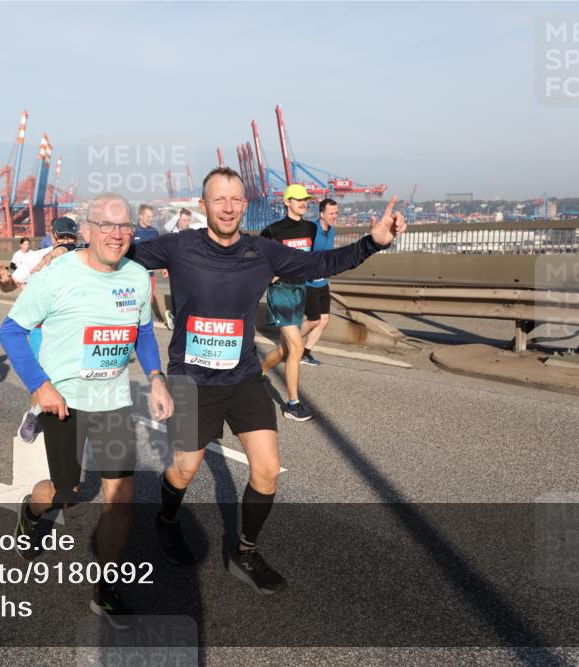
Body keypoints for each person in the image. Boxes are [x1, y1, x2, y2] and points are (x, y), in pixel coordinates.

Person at [40, 167, 405, 595]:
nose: (228, 207)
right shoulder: (179, 247)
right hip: (192, 382)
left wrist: (372, 244)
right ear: (203, 206)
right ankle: (168, 519)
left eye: (235, 200)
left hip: (244, 378)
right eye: (219, 199)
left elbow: (319, 263)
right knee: (183, 470)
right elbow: (121, 253)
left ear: (244, 206)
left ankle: (245, 552)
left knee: (267, 469)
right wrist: (75, 253)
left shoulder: (263, 252)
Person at [0, 193, 173, 626]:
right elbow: (11, 332)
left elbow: (144, 332)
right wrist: (41, 387)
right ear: (90, 231)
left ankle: (106, 586)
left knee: (121, 496)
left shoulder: (136, 277)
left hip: (112, 400)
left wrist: (155, 377)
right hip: (64, 402)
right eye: (108, 226)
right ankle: (31, 510)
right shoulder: (56, 276)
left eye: (125, 227)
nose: (117, 234)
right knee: (66, 494)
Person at [0, 217, 80, 443]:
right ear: (53, 237)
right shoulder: (36, 258)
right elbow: (9, 286)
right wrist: (4, 281)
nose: (65, 241)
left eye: (70, 238)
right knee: (45, 377)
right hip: (39, 328)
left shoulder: (82, 258)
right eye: (61, 237)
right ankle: (34, 415)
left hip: (71, 329)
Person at [258, 184, 320, 422]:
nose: (303, 202)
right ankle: (292, 404)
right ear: (286, 202)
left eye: (305, 199)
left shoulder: (310, 228)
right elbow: (260, 259)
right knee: (296, 348)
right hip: (280, 291)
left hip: (300, 290)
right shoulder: (273, 231)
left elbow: (311, 257)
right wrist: (269, 275)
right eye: (298, 199)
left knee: (285, 350)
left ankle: (260, 372)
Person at [300, 198, 338, 366]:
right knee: (314, 320)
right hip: (308, 284)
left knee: (324, 320)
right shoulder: (311, 229)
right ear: (322, 214)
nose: (334, 216)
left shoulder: (332, 231)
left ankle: (304, 353)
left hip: (323, 282)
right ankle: (289, 343)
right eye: (331, 213)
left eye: (336, 213)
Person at [132, 204, 166, 325]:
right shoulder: (133, 231)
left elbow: (159, 252)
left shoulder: (154, 232)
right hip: (134, 274)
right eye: (148, 216)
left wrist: (165, 266)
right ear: (140, 216)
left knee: (148, 301)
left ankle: (145, 325)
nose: (150, 219)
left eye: (152, 216)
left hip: (149, 274)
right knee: (134, 301)